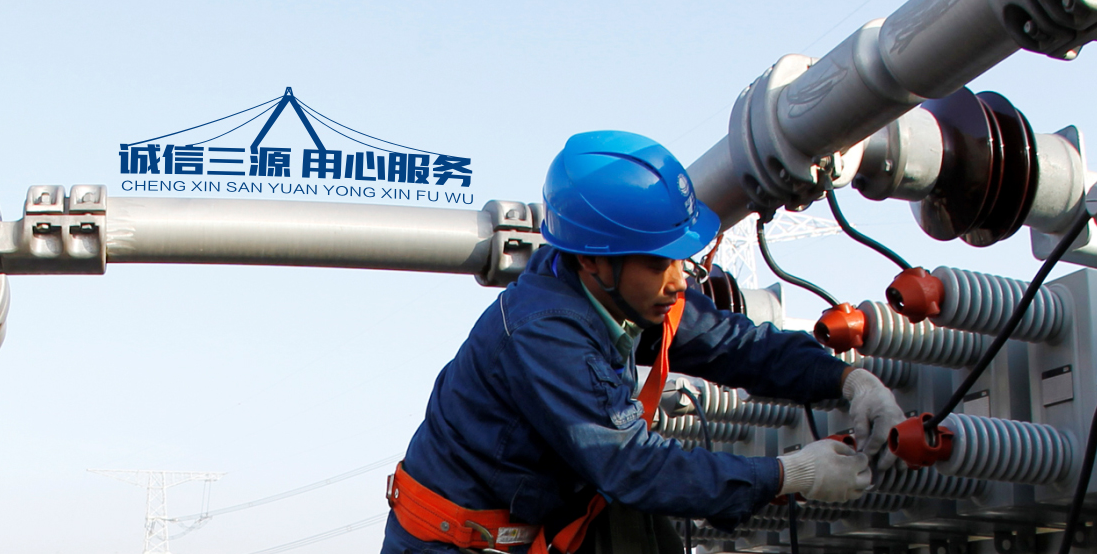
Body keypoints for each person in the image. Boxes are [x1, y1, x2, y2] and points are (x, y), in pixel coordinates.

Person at [382, 131, 905, 554]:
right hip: (451, 543)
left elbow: (736, 345)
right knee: (636, 498)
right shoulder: (545, 333)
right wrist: (791, 474)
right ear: (592, 260)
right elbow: (633, 466)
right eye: (658, 263)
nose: (677, 281)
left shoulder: (626, 292)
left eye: (680, 259)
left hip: (533, 527)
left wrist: (849, 380)